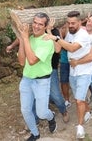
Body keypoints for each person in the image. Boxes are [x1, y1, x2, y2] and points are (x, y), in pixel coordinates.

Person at [16, 12, 57, 141]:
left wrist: (25, 38)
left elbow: (32, 60)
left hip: (42, 81)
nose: (36, 26)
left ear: (45, 27)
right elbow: (22, 62)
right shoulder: (29, 38)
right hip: (27, 79)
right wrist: (23, 39)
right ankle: (35, 133)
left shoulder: (47, 40)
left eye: (40, 24)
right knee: (25, 110)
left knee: (41, 113)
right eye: (34, 22)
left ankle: (51, 117)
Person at [54, 11, 92, 139]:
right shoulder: (70, 33)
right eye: (68, 23)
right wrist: (50, 32)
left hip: (84, 72)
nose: (70, 25)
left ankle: (80, 127)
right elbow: (62, 46)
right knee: (78, 97)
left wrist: (55, 38)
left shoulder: (83, 34)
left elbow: (72, 48)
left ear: (80, 22)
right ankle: (88, 111)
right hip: (73, 71)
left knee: (79, 100)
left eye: (73, 23)